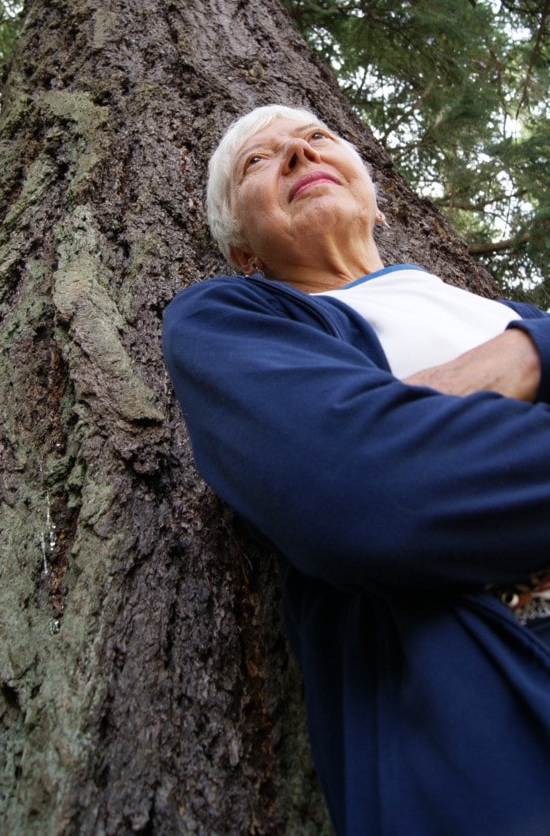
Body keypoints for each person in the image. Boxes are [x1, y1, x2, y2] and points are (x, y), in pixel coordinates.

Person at [162, 104, 550, 836]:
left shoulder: (504, 311)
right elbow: (370, 491)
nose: (297, 156)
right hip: (495, 693)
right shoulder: (230, 318)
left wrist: (525, 349)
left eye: (315, 139)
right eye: (259, 160)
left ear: (372, 203)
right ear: (243, 249)